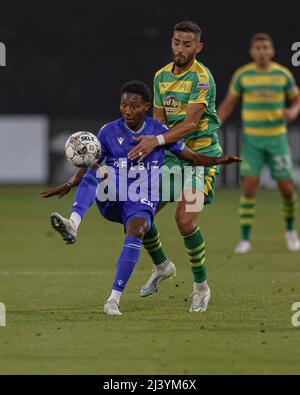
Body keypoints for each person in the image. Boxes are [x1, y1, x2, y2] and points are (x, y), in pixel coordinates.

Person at [41, 80, 240, 315]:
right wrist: (70, 182)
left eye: (133, 106)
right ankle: (73, 223)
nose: (127, 110)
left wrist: (218, 161)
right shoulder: (108, 131)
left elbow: (192, 158)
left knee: (138, 229)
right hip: (113, 197)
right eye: (123, 105)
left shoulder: (158, 132)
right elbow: (90, 161)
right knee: (97, 168)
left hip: (140, 200)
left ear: (146, 106)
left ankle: (113, 300)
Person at [127, 21, 223, 312]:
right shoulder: (160, 77)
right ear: (171, 43)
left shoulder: (201, 78)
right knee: (138, 215)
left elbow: (191, 124)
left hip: (199, 159)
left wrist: (154, 140)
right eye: (176, 42)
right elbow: (158, 122)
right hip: (171, 157)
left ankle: (201, 288)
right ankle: (162, 266)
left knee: (185, 221)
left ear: (198, 47)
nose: (180, 48)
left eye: (187, 44)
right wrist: (145, 144)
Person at [218, 33, 300, 253]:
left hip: (277, 139)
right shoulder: (243, 75)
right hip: (253, 140)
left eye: (266, 47)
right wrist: (214, 124)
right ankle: (245, 239)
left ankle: (291, 232)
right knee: (249, 187)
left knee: (287, 189)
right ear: (252, 51)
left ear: (272, 51)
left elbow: (296, 98)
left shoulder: (283, 74)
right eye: (258, 48)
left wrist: (293, 110)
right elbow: (228, 103)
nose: (262, 51)